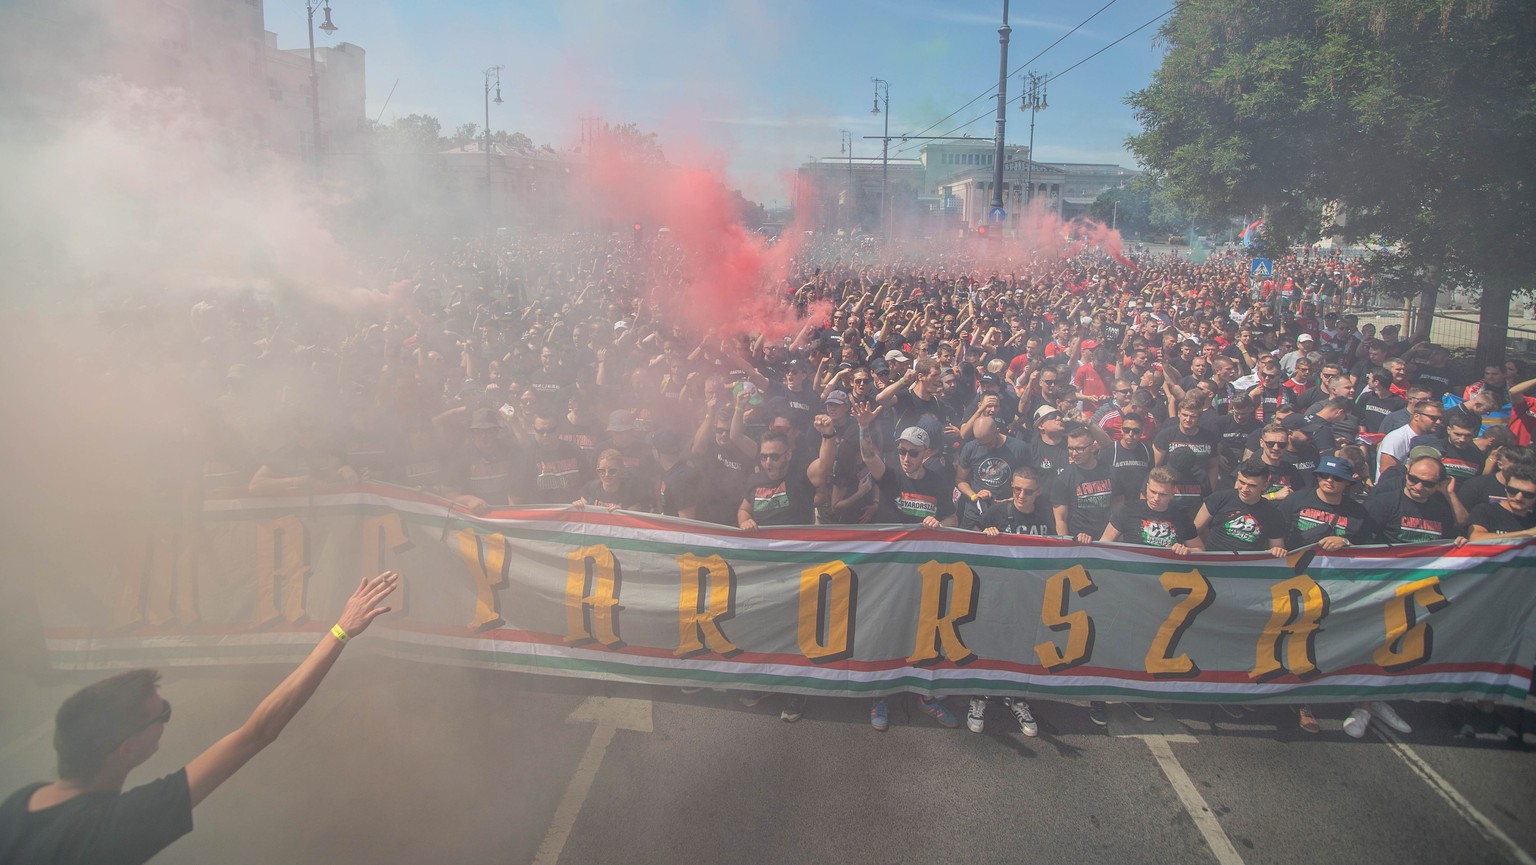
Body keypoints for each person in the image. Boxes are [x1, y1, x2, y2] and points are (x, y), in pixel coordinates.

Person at [0, 572, 399, 865]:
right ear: (127, 748)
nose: (167, 720)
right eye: (163, 715)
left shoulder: (19, 805)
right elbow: (257, 733)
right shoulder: (113, 825)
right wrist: (340, 632)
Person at [853, 405, 959, 731]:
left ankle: (925, 696)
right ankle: (880, 694)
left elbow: (953, 519)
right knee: (885, 628)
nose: (906, 458)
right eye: (901, 451)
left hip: (924, 570)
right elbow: (870, 458)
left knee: (925, 631)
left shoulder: (938, 482)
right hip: (889, 568)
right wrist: (862, 428)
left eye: (913, 453)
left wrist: (938, 523)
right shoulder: (892, 476)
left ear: (926, 453)